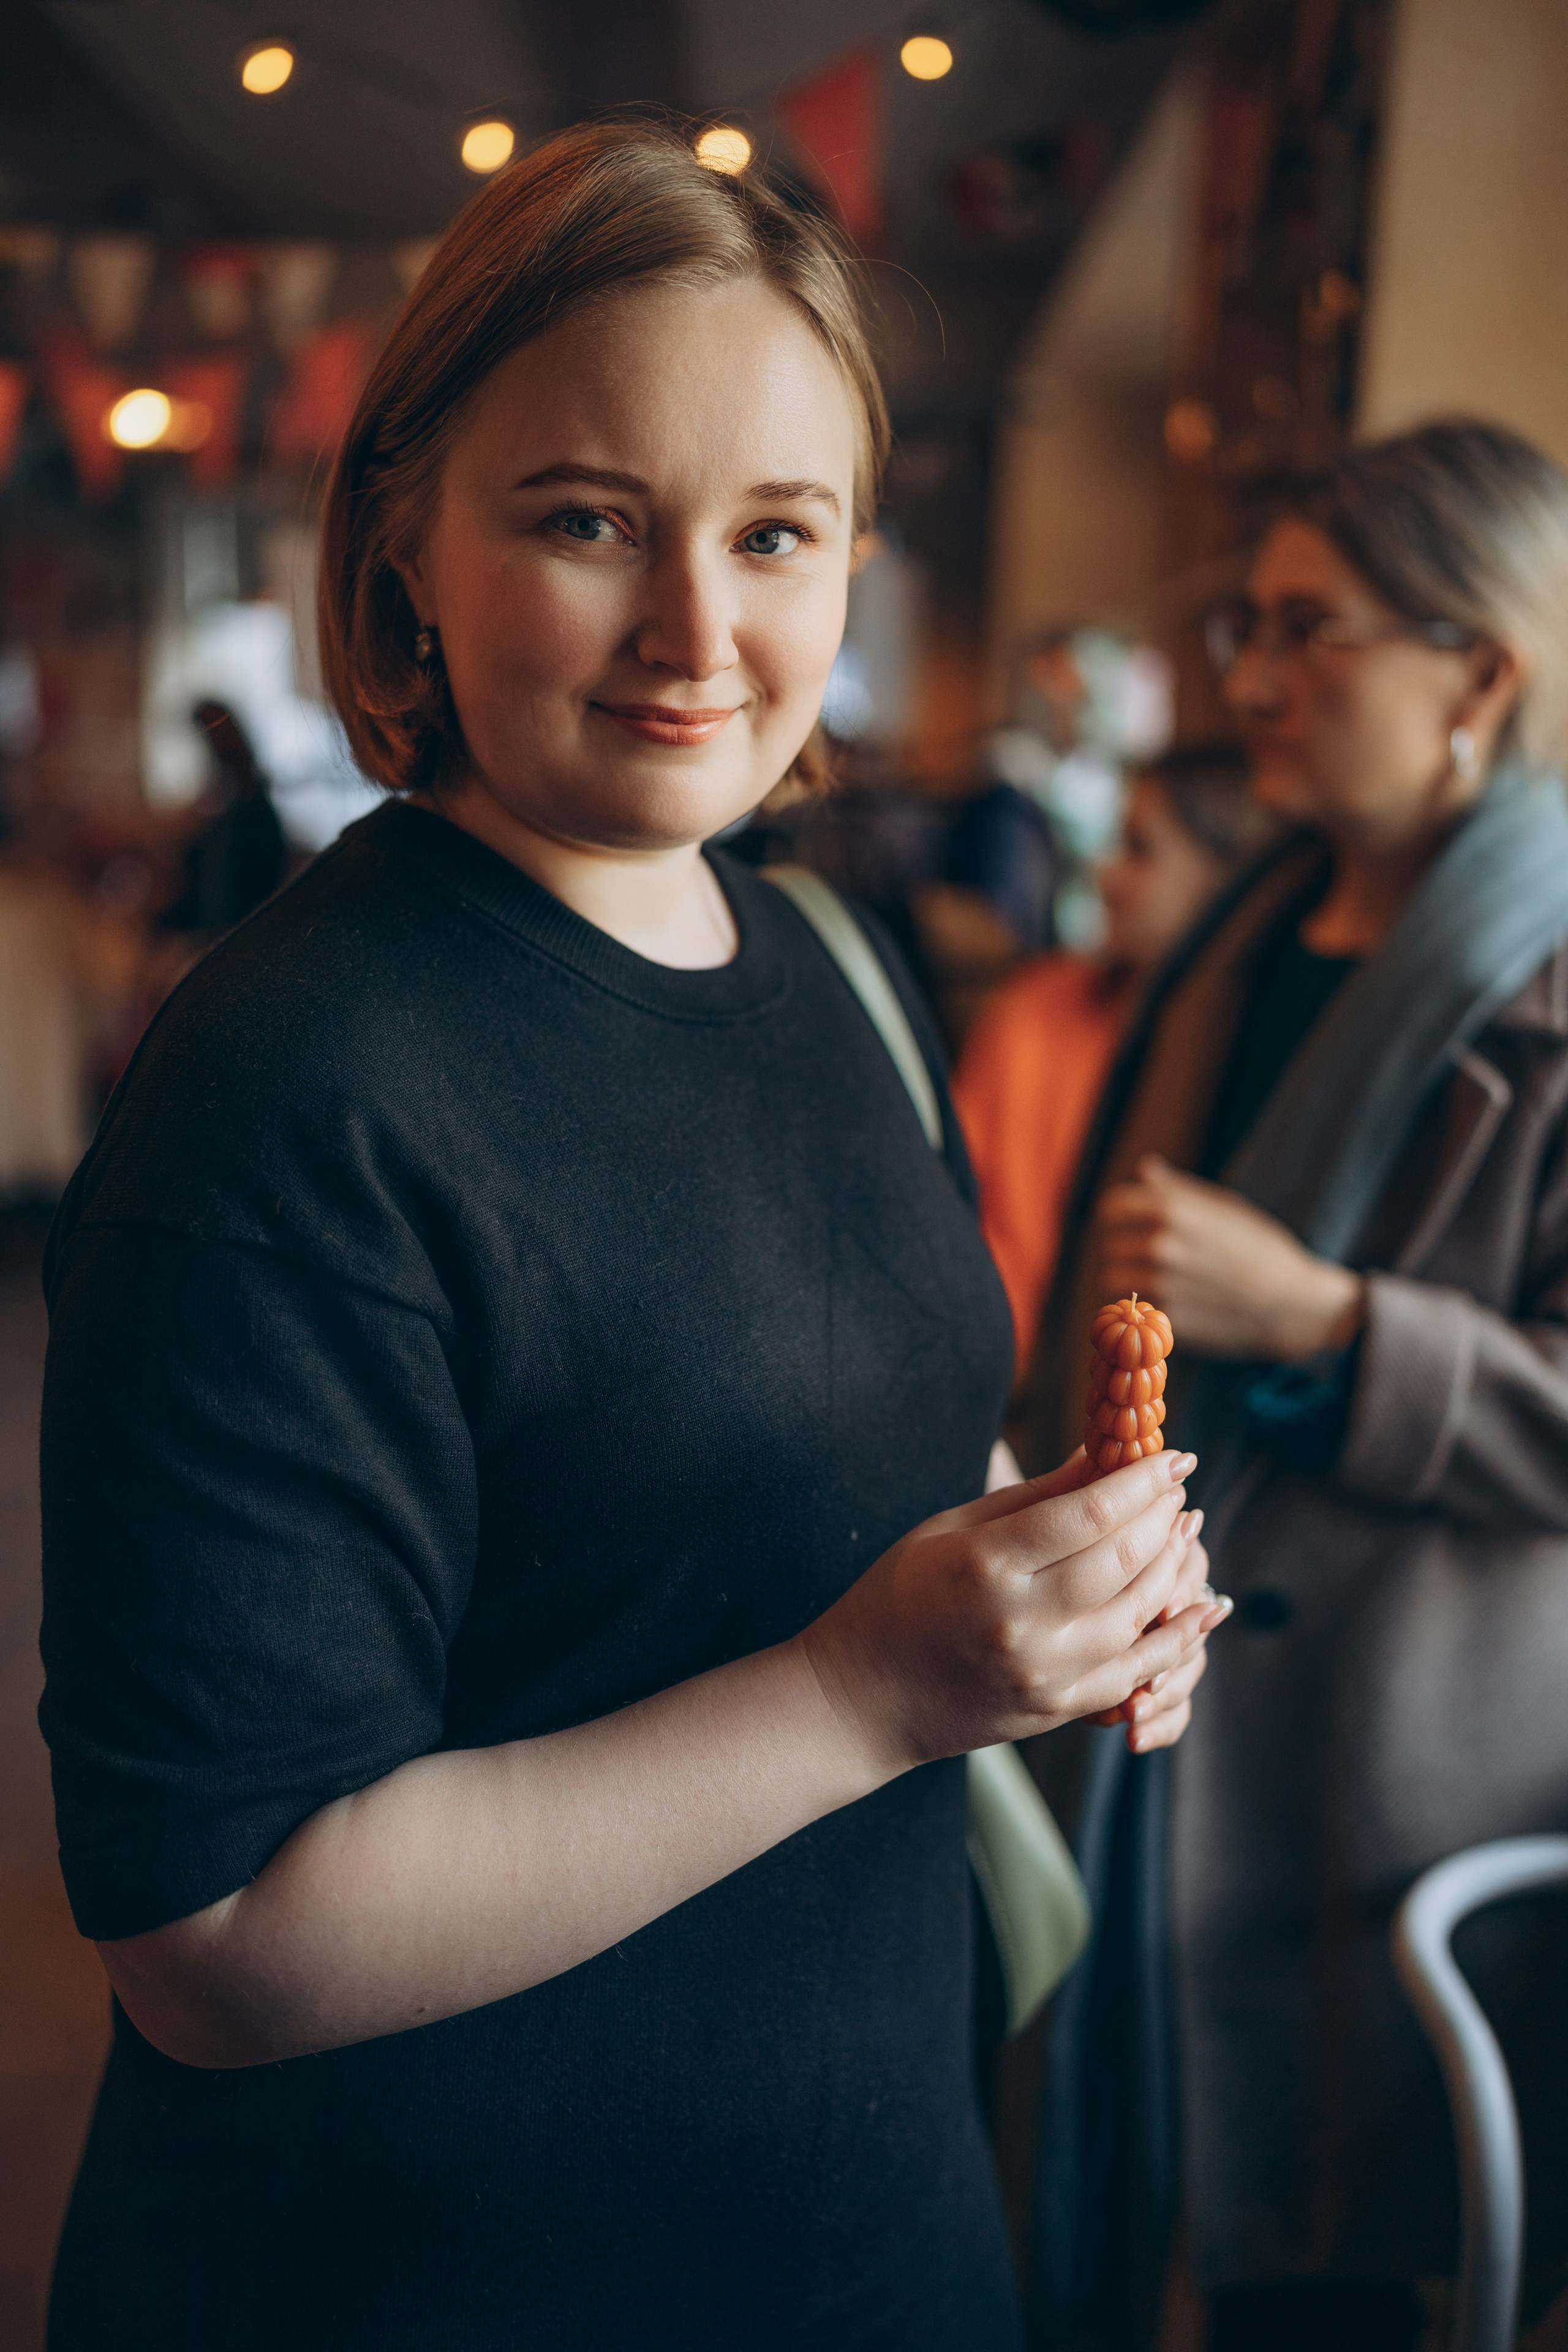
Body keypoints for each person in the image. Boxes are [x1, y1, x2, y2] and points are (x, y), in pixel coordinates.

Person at [36, 123, 1226, 2352]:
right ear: (404, 532)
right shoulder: (290, 1083)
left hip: (873, 2217)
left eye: (775, 534)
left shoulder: (824, 959)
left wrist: (1044, 1576)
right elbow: (216, 1939)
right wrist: (873, 1691)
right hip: (434, 2279)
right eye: (586, 521)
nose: (697, 630)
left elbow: (820, 1451)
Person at [1018, 420, 1568, 2352]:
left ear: (1474, 673)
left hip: (1387, 1745)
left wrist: (1335, 1321)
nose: (1245, 679)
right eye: (1242, 624)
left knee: (1321, 2266)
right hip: (1150, 1680)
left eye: (1308, 631)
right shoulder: (1241, 933)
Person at [954, 742, 1275, 1379]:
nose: (1104, 876)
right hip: (995, 1384)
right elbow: (947, 1216)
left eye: (1140, 849)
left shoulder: (1259, 1060)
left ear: (1225, 880)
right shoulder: (1032, 1011)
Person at [159, 700, 287, 937]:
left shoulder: (249, 810)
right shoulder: (224, 801)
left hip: (235, 933)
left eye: (215, 734)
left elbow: (231, 891)